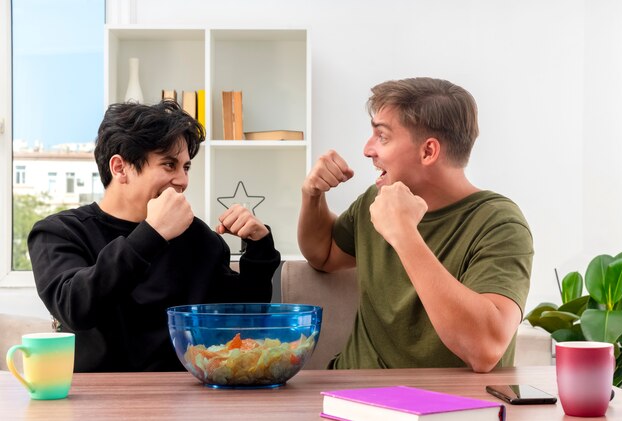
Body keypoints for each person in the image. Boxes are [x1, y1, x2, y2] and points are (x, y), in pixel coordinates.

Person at [298, 77, 533, 372]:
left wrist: (404, 234)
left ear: (428, 151)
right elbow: (325, 254)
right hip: (353, 396)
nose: (367, 149)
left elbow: (484, 348)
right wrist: (312, 196)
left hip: (449, 407)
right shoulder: (377, 198)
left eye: (382, 137)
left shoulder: (499, 223)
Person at [28, 100, 281, 372]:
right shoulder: (59, 232)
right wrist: (152, 234)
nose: (183, 180)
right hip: (95, 401)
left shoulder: (198, 237)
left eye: (186, 167)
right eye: (169, 165)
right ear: (120, 168)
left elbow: (242, 318)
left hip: (182, 400)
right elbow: (75, 308)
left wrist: (260, 246)